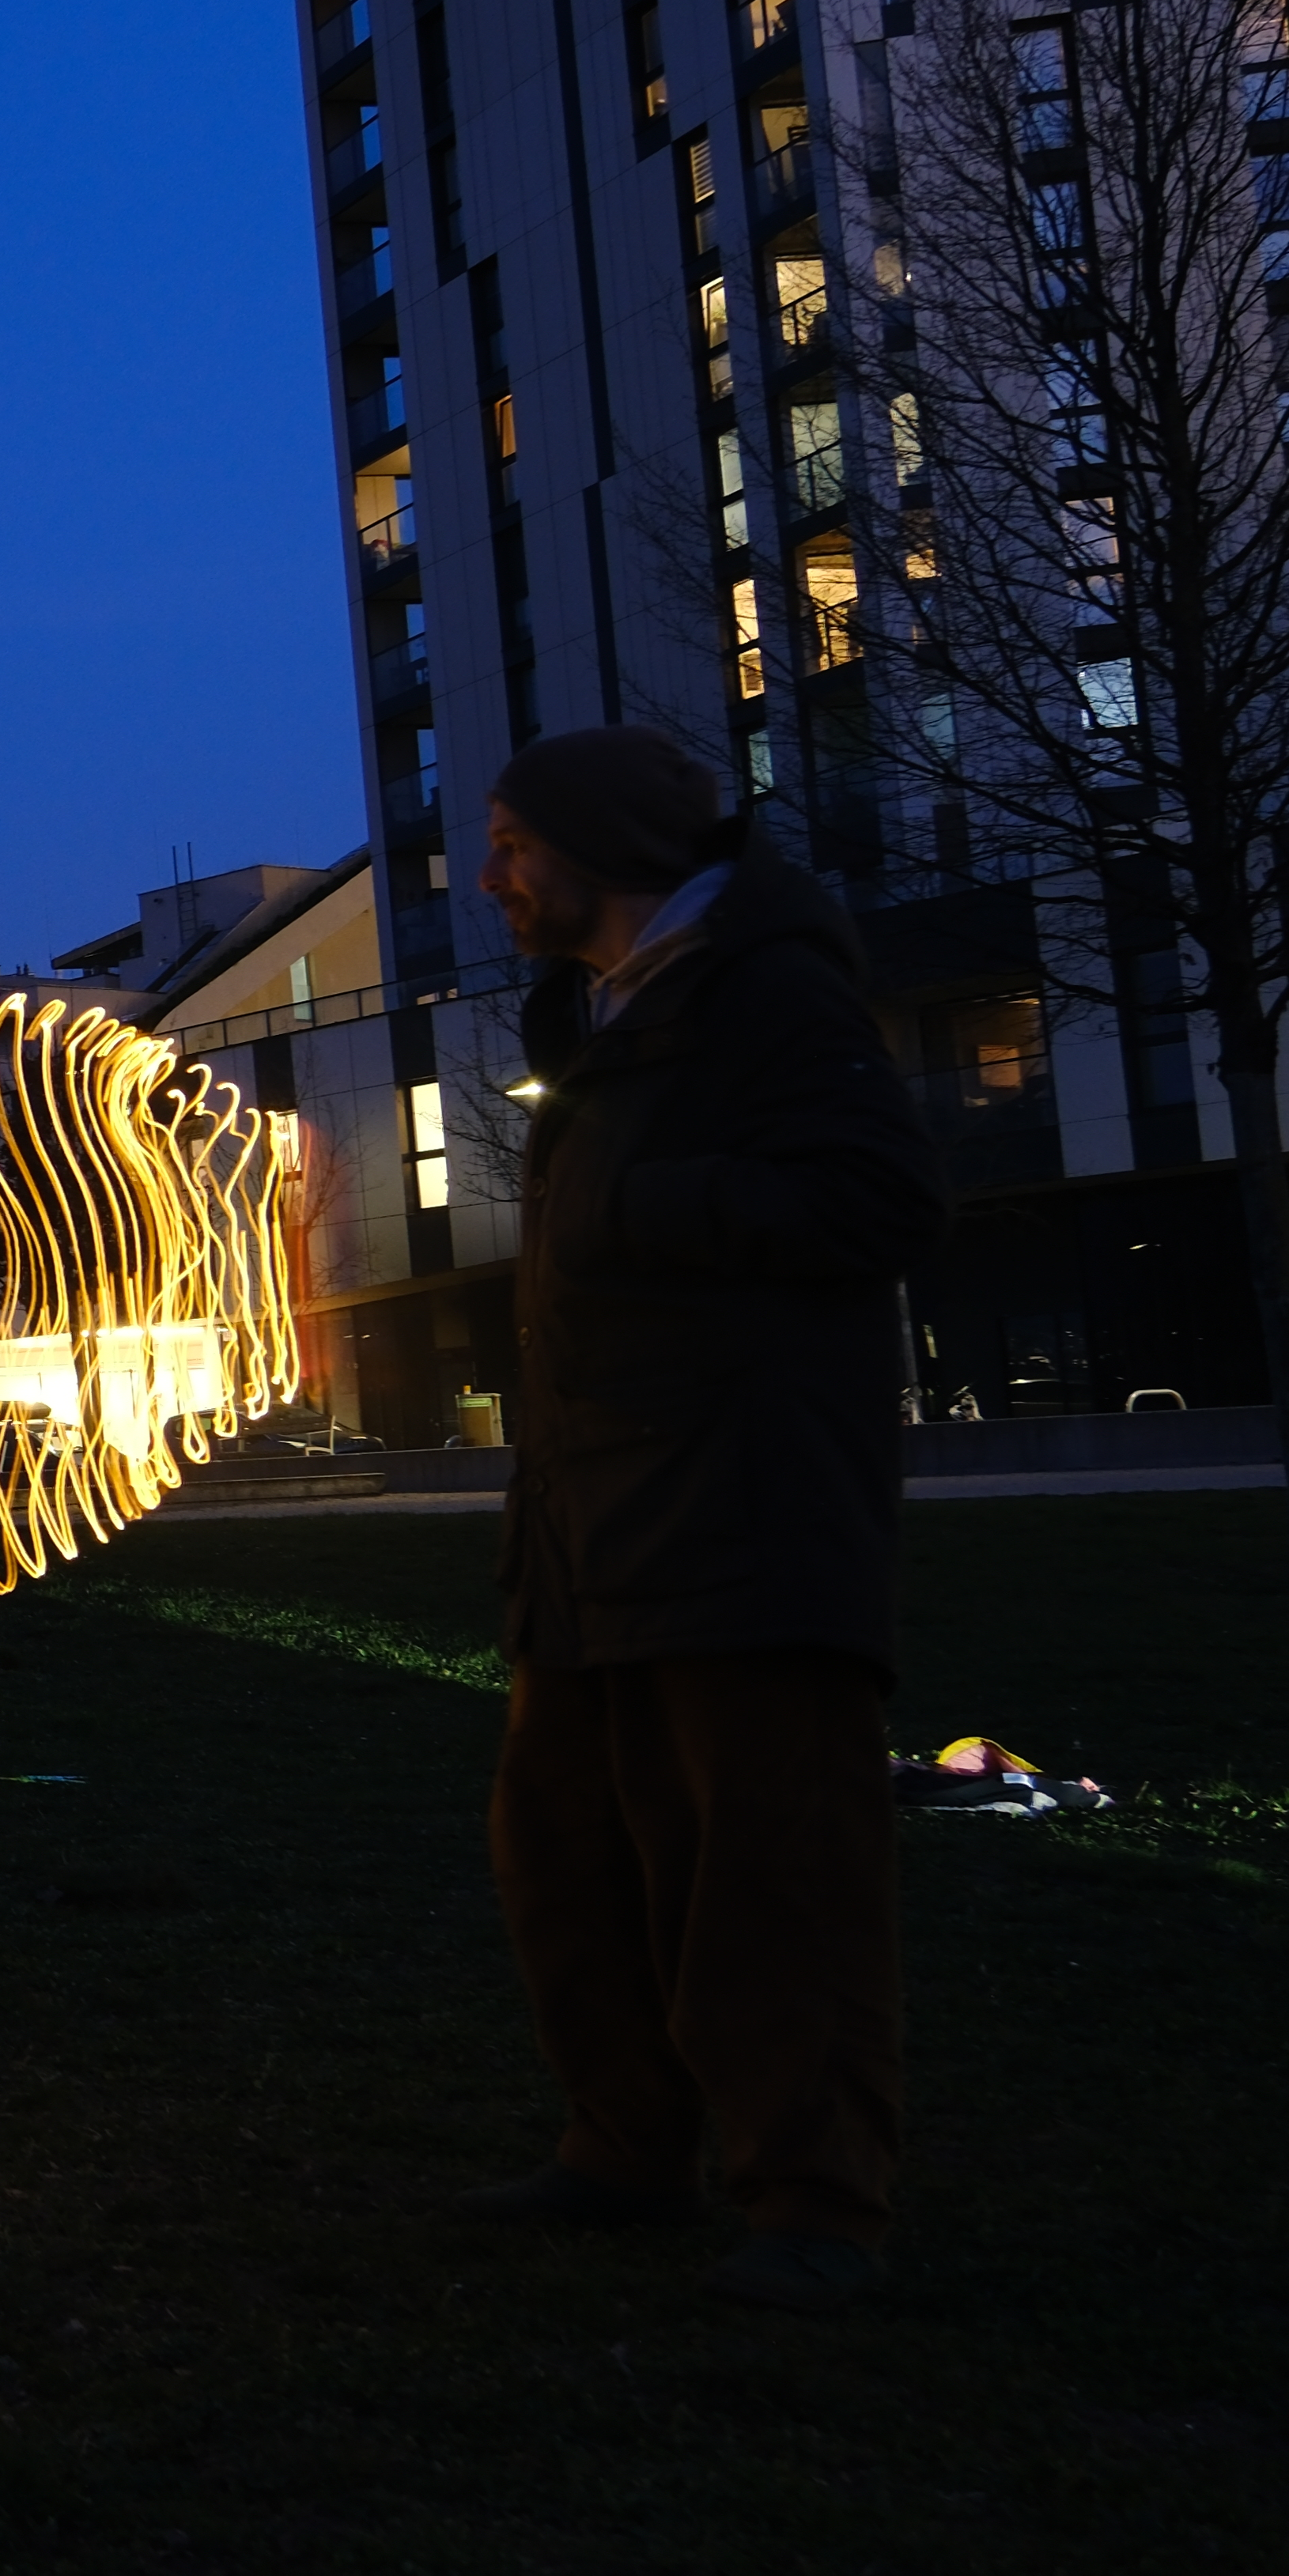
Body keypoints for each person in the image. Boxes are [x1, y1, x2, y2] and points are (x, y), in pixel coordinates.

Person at [468, 731, 944, 2313]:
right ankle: (626, 2140)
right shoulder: (611, 1013)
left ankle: (816, 2199)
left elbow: (877, 1203)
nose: (493, 876)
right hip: (596, 1518)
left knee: (766, 1867)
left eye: (517, 843)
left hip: (740, 1513)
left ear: (605, 849)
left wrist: (646, 1210)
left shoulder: (766, 992)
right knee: (568, 1852)